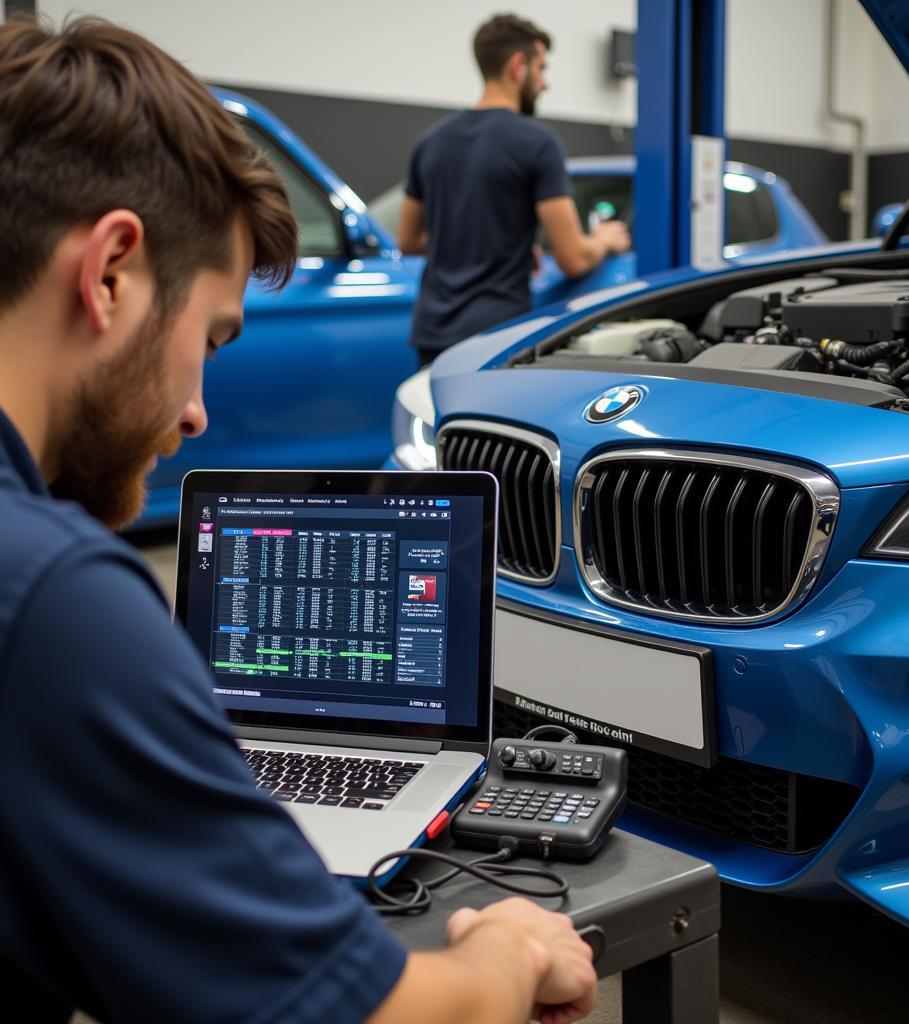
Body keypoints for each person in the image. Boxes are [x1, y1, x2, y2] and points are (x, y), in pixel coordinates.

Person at [0, 16, 596, 1024]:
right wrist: (507, 948)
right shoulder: (55, 600)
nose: (195, 413)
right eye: (212, 337)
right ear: (109, 273)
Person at [398, 13, 631, 366]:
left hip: (433, 336)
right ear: (518, 66)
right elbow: (573, 258)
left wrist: (492, 240)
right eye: (542, 68)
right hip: (496, 337)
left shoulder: (429, 142)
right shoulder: (537, 143)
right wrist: (603, 239)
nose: (544, 83)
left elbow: (408, 240)